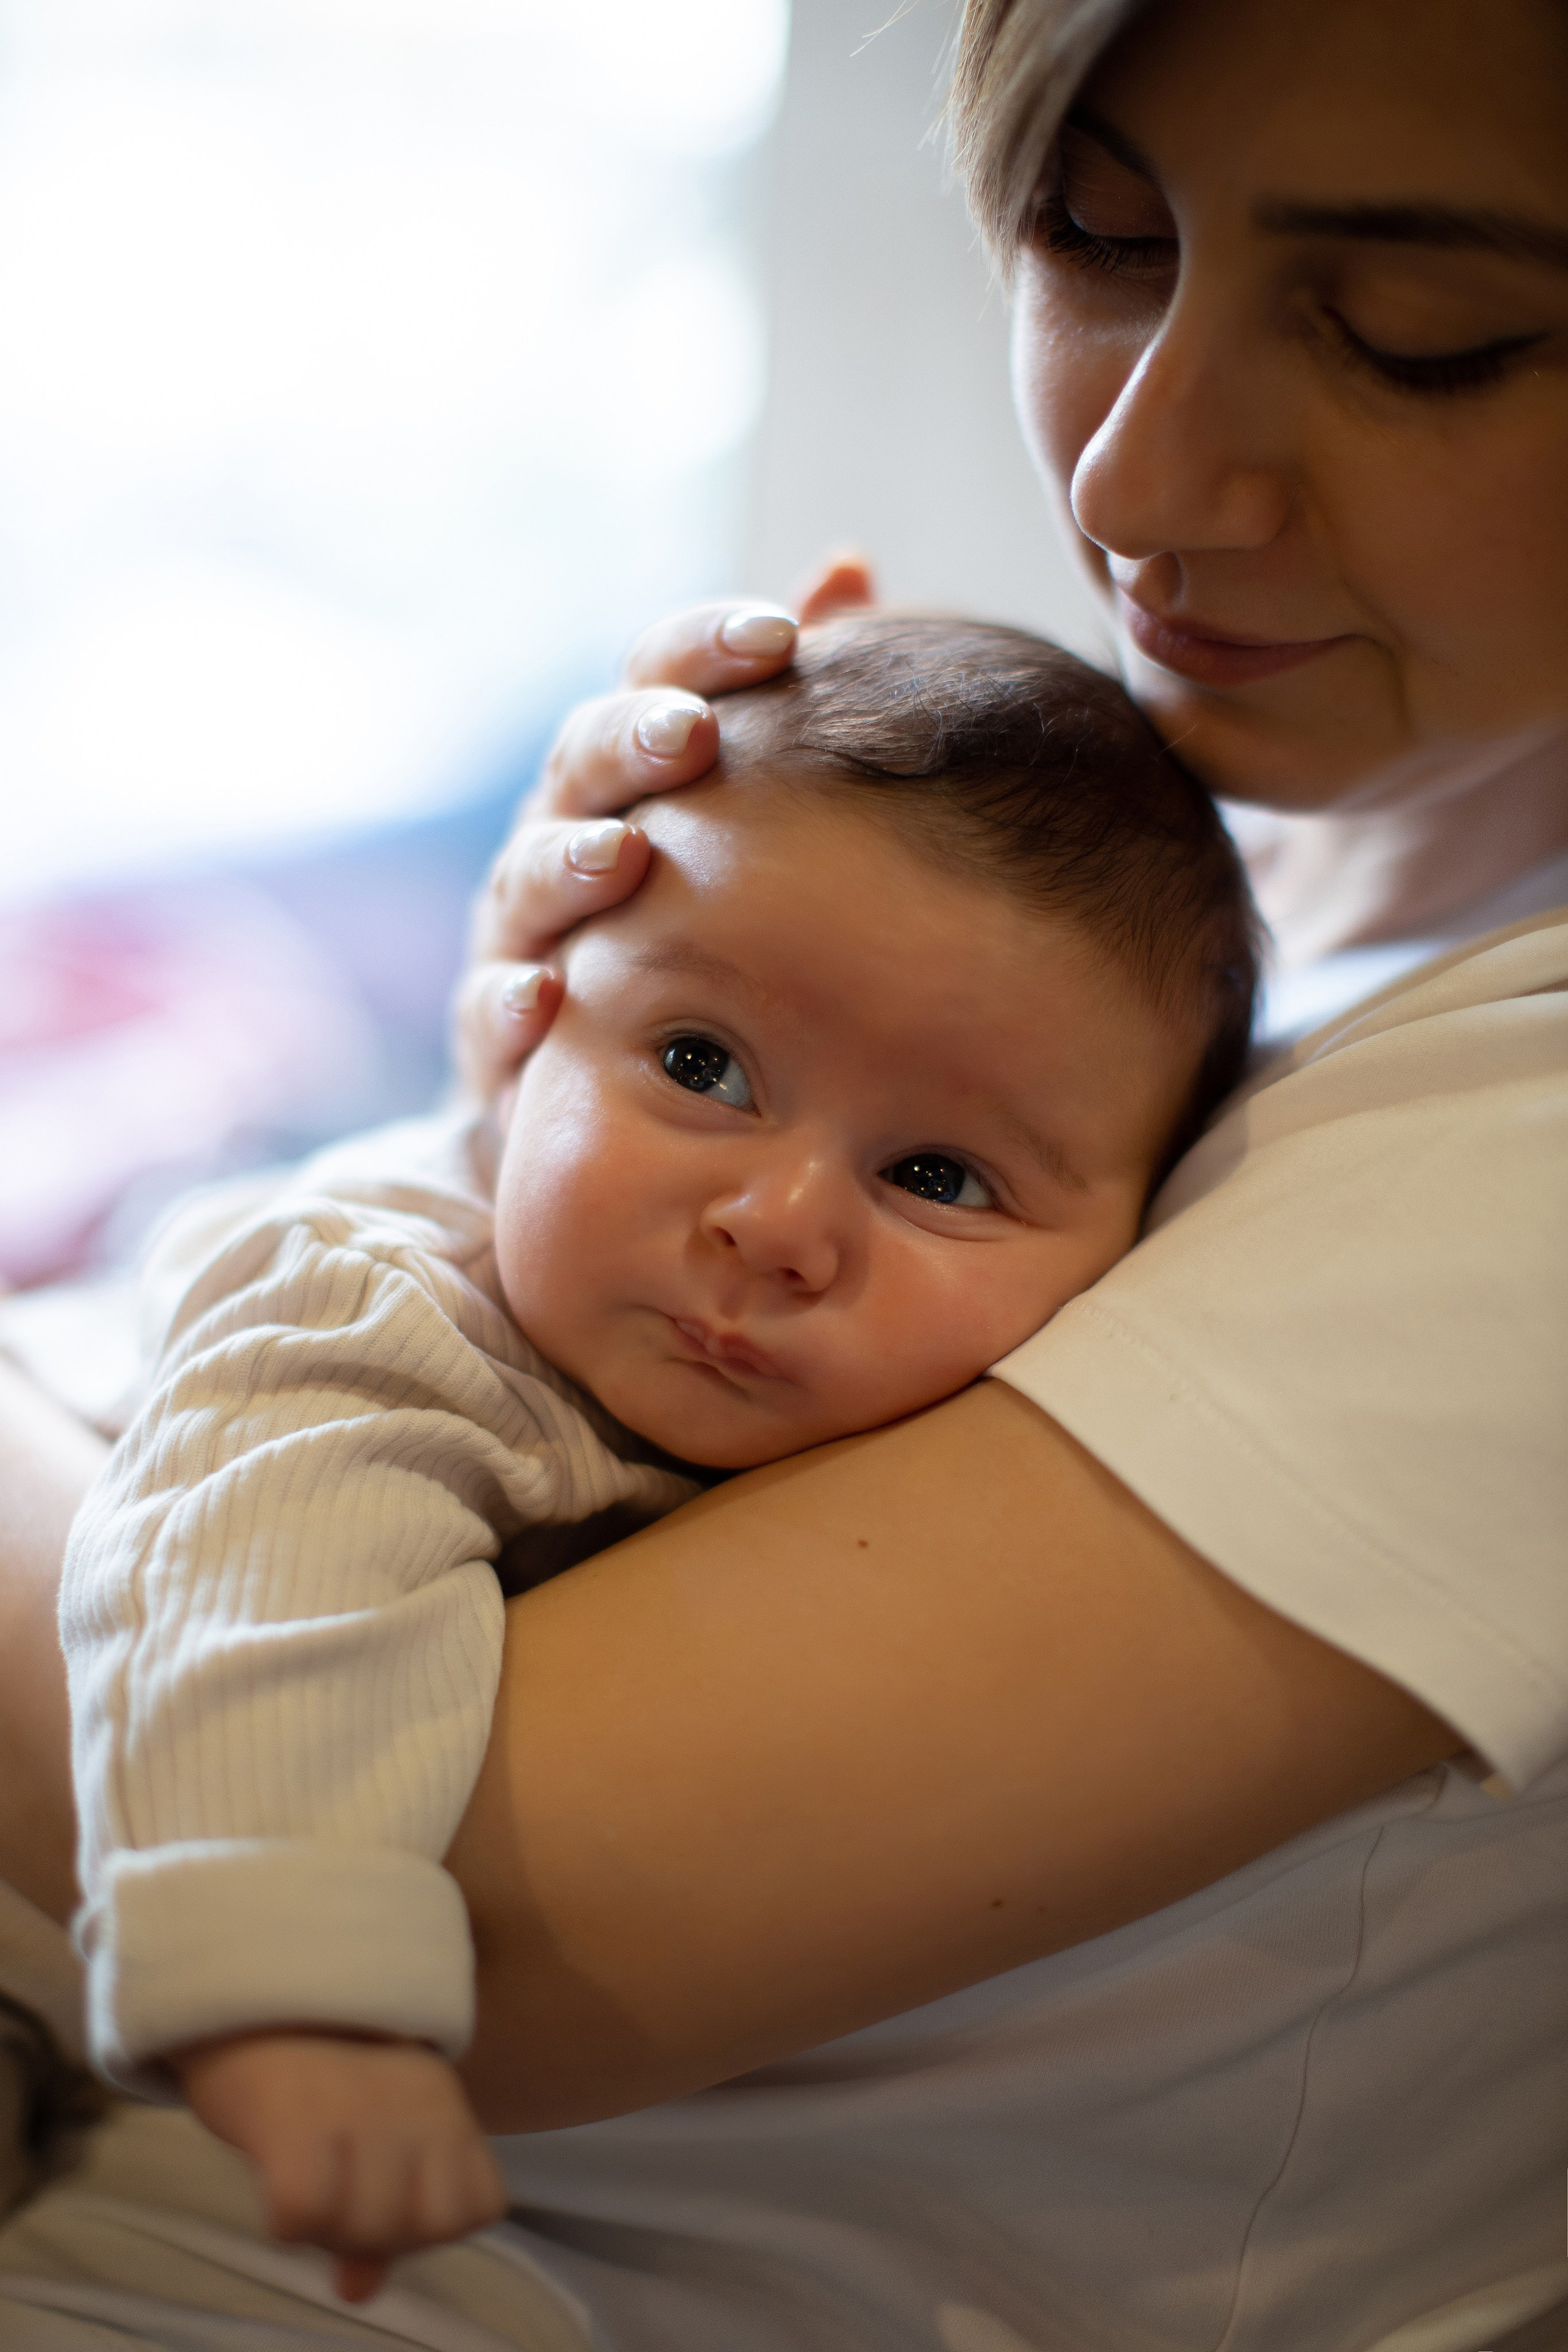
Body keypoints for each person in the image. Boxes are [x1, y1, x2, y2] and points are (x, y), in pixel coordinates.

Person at [0, 0, 1563, 2344]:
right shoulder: (1249, 834)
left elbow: (453, 1913)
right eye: (1098, 232)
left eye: (1417, 335)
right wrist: (538, 1088)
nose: (1135, 482)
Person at [59, 616, 1257, 2304]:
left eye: (938, 1175)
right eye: (701, 1067)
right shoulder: (384, 1314)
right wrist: (294, 1995)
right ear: (533, 1020)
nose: (776, 1231)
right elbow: (250, 1584)